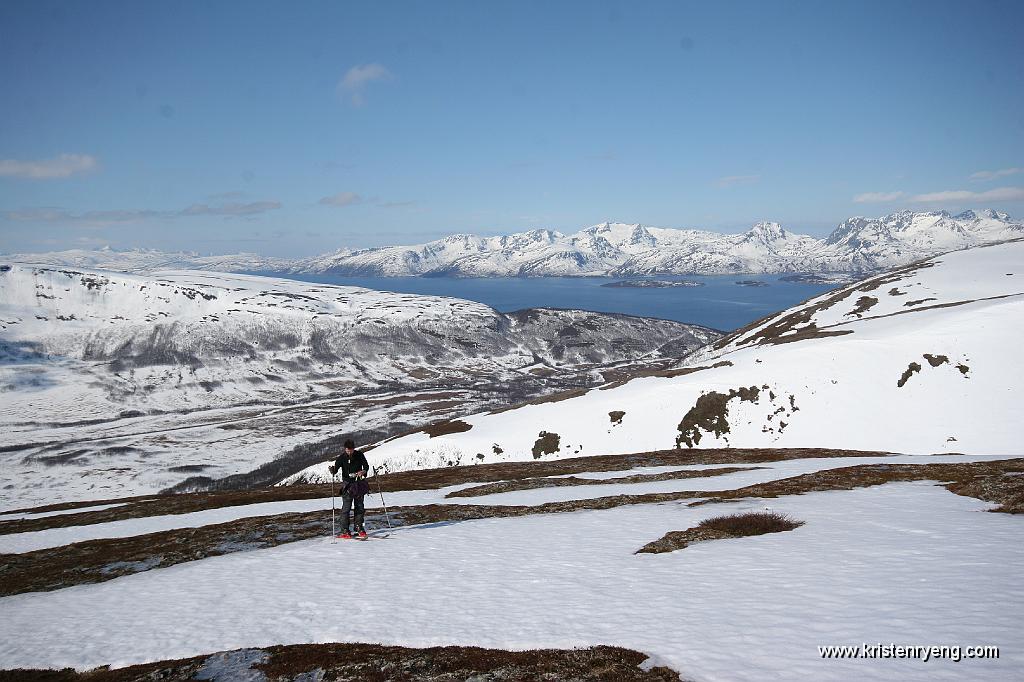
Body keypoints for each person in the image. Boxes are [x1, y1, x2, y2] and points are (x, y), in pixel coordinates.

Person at [328, 439, 370, 539]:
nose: (349, 452)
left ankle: (359, 528)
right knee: (346, 508)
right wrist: (333, 470)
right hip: (347, 485)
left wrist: (363, 471)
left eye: (350, 450)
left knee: (359, 507)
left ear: (354, 449)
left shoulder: (359, 455)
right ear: (345, 449)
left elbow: (366, 466)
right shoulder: (341, 458)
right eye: (347, 450)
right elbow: (336, 469)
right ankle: (345, 530)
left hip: (358, 483)